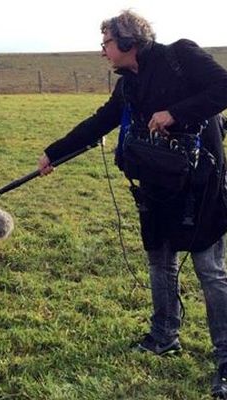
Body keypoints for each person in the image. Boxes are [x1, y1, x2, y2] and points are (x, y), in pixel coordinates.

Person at [37, 10, 227, 398]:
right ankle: (163, 336)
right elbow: (100, 122)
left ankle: (226, 359)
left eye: (106, 43)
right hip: (157, 185)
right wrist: (53, 153)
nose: (103, 52)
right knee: (160, 258)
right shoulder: (129, 85)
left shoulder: (181, 56)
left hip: (200, 185)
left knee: (209, 269)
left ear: (127, 43)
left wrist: (174, 113)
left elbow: (224, 87)